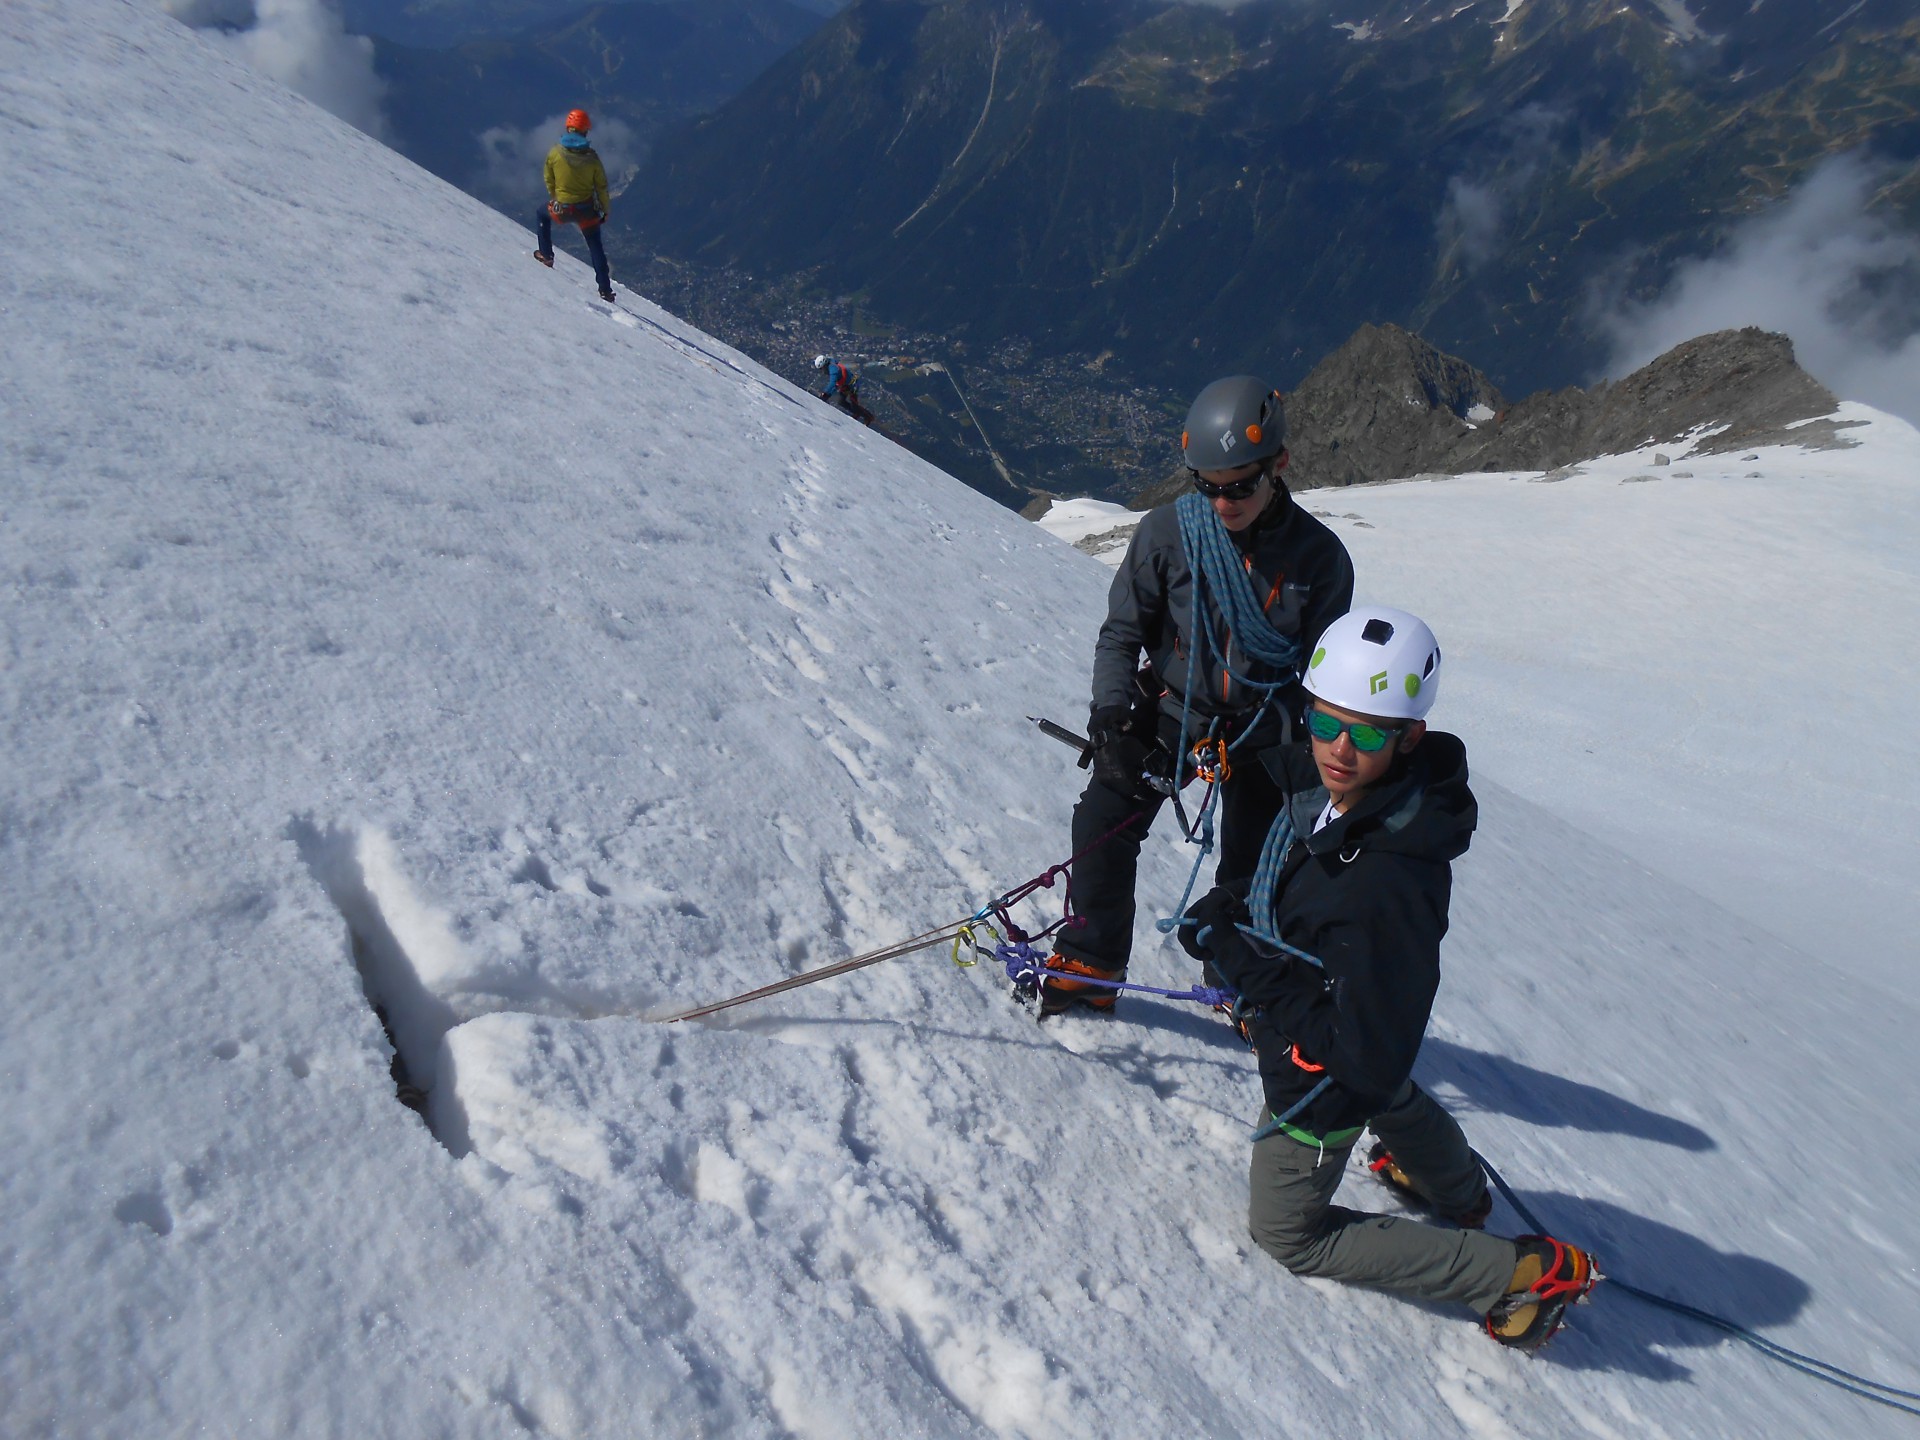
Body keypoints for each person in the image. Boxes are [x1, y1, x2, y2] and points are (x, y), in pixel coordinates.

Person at [1180, 606, 1599, 1351]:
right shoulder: (1347, 799)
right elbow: (1365, 1023)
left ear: (1411, 738)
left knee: (1290, 1232)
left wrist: (1236, 954)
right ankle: (1460, 1192)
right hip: (1347, 1037)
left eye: (1367, 733)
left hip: (1318, 1073)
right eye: (1324, 722)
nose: (1338, 749)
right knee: (1388, 1084)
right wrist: (1242, 907)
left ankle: (1512, 1275)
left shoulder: (1387, 880)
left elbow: (1359, 1056)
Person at [1040, 376, 1353, 1017]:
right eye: (1206, 485)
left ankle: (1235, 981)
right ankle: (1093, 959)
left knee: (1254, 861)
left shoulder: (1320, 560)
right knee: (1104, 818)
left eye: (1239, 485)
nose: (1221, 502)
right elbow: (1122, 633)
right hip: (1174, 713)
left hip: (1269, 724)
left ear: (1279, 466)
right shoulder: (1166, 535)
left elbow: (1327, 680)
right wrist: (1111, 712)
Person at [533, 108, 614, 303]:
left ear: (568, 128)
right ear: (586, 130)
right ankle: (605, 289)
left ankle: (546, 254)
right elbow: (601, 186)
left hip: (562, 208)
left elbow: (548, 179)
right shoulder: (592, 158)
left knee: (541, 214)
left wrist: (557, 198)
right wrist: (605, 210)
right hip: (587, 211)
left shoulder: (555, 152)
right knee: (595, 246)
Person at [813, 355, 875, 426]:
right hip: (846, 385)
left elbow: (832, 383)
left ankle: (868, 417)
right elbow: (835, 384)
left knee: (854, 404)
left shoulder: (833, 370)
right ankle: (857, 412)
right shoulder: (832, 365)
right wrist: (827, 394)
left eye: (821, 368)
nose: (822, 371)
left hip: (852, 385)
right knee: (841, 402)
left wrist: (826, 393)